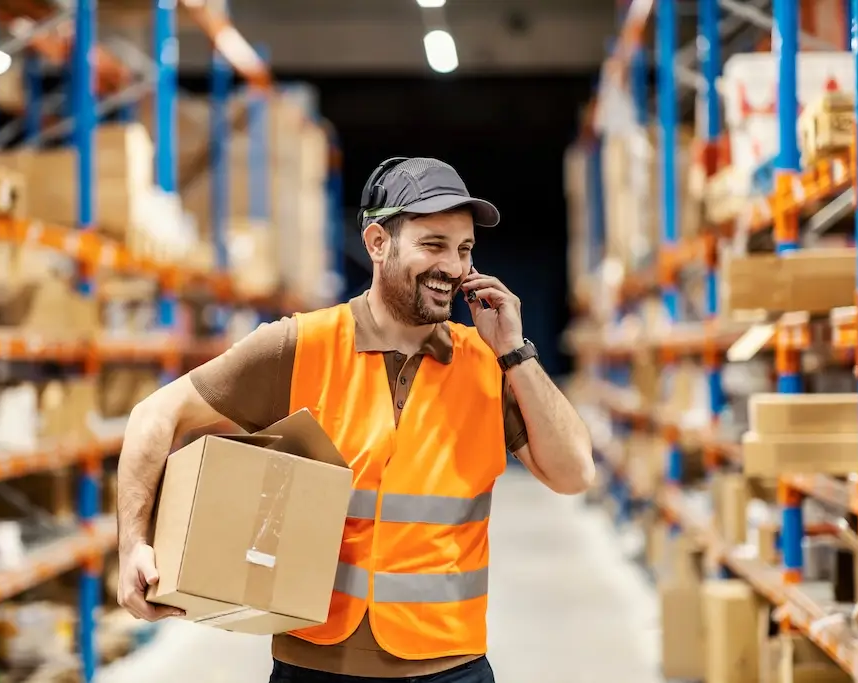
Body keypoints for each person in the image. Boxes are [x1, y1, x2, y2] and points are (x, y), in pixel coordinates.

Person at [116, 157, 595, 683]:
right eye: (433, 245)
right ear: (376, 243)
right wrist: (133, 545)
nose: (455, 268)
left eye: (464, 250)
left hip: (450, 666)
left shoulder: (487, 362)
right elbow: (154, 415)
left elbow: (574, 474)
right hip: (316, 664)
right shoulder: (302, 346)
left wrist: (515, 351)